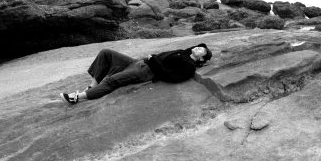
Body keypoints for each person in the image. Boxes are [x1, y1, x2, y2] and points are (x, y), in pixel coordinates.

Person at [60, 43, 212, 104]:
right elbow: (162, 56)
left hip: (147, 71)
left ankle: (77, 98)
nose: (199, 48)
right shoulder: (182, 52)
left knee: (113, 80)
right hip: (139, 62)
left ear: (202, 58)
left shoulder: (189, 66)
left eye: (202, 50)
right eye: (199, 46)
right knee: (106, 53)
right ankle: (91, 87)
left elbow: (171, 77)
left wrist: (153, 62)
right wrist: (151, 57)